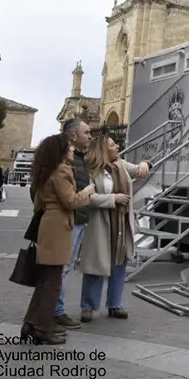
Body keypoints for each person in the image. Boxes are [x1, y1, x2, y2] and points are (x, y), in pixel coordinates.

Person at [22, 134, 95, 345]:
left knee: (45, 279)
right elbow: (70, 200)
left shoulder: (45, 169)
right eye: (69, 148)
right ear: (61, 151)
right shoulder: (62, 169)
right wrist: (87, 191)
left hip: (49, 221)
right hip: (58, 224)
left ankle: (31, 323)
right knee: (53, 280)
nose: (73, 151)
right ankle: (42, 328)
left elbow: (35, 195)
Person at [78, 135, 149, 322]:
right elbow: (85, 198)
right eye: (112, 145)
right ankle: (88, 306)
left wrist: (144, 163)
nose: (117, 146)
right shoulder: (91, 170)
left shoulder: (121, 165)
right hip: (100, 222)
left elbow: (140, 170)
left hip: (121, 222)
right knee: (96, 265)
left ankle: (115, 304)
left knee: (119, 263)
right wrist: (113, 199)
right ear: (103, 150)